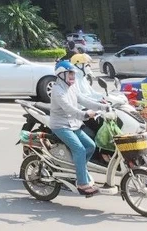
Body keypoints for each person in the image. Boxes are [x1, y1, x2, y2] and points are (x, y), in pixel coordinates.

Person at [50, 60, 104, 196]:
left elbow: (83, 99)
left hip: (74, 124)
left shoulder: (72, 86)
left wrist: (103, 106)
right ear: (61, 74)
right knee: (79, 150)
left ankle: (79, 170)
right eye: (70, 73)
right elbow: (70, 109)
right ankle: (81, 183)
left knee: (91, 146)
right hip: (61, 126)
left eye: (73, 73)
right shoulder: (57, 90)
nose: (73, 76)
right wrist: (85, 114)